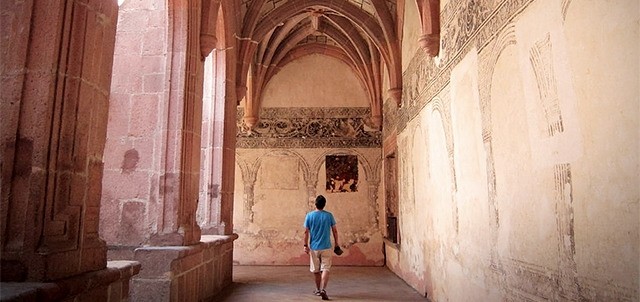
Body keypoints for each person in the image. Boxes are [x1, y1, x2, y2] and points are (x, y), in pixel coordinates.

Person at [303, 195, 339, 300]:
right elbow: (335, 231)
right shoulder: (329, 216)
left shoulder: (309, 216)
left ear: (315, 204)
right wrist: (336, 244)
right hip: (326, 246)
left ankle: (318, 290)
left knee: (316, 270)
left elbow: (306, 232)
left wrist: (305, 245)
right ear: (324, 204)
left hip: (314, 248)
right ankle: (323, 289)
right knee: (326, 268)